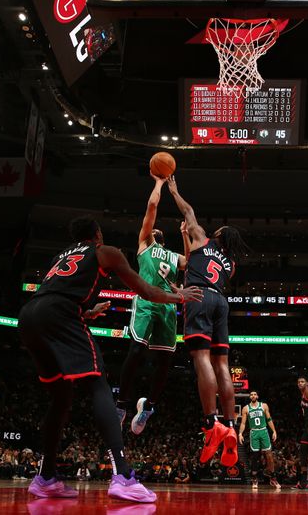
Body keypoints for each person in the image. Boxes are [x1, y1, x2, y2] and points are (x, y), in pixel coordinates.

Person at [19, 216, 202, 503]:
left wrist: (89, 313)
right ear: (97, 234)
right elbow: (146, 291)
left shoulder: (62, 256)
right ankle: (123, 477)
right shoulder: (105, 251)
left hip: (30, 316)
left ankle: (46, 477)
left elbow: (57, 292)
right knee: (98, 384)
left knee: (60, 398)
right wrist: (180, 297)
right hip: (60, 315)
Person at [166, 176, 247, 468]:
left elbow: (188, 211)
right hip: (221, 303)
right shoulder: (231, 264)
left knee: (201, 359)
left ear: (220, 234)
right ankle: (230, 424)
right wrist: (186, 237)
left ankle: (211, 422)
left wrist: (174, 190)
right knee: (222, 364)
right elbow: (193, 262)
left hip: (199, 298)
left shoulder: (204, 237)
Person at [117, 175, 188, 435]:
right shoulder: (144, 244)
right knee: (136, 351)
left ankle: (148, 406)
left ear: (163, 238)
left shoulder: (171, 255)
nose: (153, 229)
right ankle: (121, 405)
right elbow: (151, 209)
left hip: (168, 307)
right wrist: (159, 184)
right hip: (146, 301)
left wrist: (184, 236)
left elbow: (188, 262)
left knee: (165, 361)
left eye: (157, 230)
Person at [238, 390, 280, 489]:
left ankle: (273, 478)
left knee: (269, 455)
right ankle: (254, 479)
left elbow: (269, 419)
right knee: (255, 456)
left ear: (257, 396)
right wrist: (240, 433)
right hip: (254, 432)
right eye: (251, 395)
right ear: (249, 397)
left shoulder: (264, 406)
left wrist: (274, 431)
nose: (253, 396)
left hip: (264, 431)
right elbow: (243, 423)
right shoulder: (245, 408)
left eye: (254, 394)